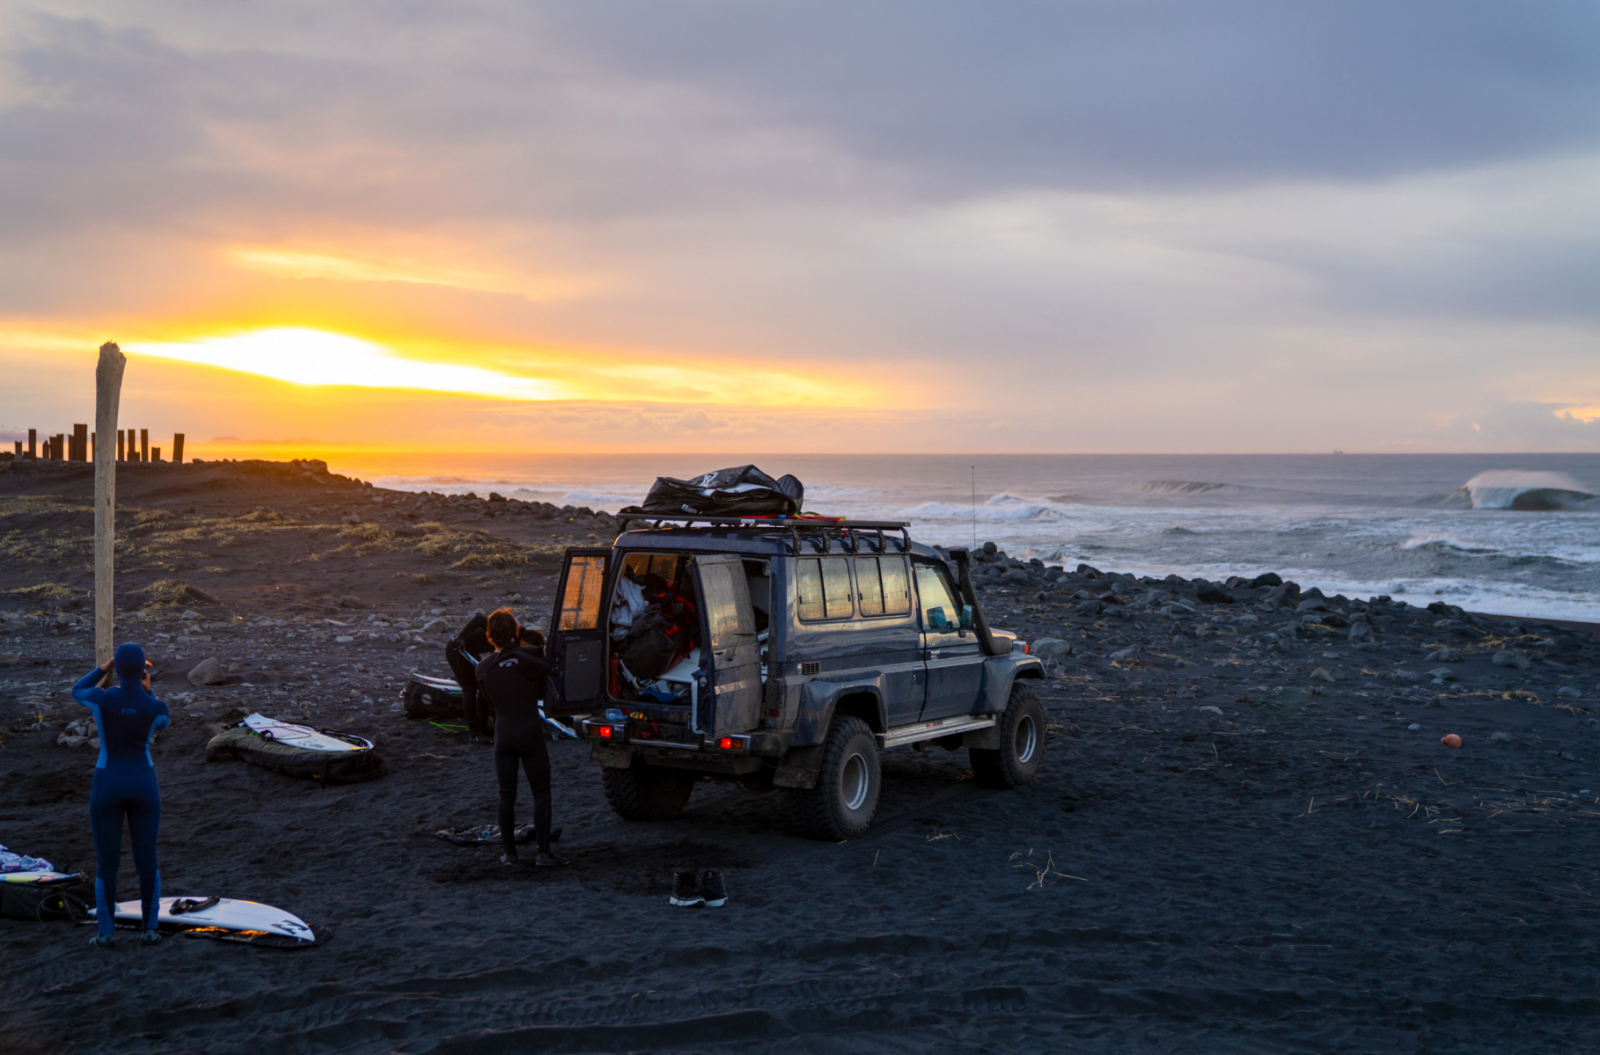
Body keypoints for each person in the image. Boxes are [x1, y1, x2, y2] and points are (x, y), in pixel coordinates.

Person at [72, 643, 170, 947]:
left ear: (117, 667)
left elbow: (77, 689)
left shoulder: (102, 699)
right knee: (147, 859)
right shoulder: (157, 707)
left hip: (108, 782)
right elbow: (163, 723)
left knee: (107, 862)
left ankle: (105, 933)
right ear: (143, 669)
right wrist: (148, 691)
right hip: (144, 783)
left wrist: (103, 669)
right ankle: (150, 929)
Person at [474, 608, 564, 867]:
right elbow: (541, 690)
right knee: (541, 792)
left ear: (490, 636)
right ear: (515, 631)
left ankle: (509, 854)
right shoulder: (533, 655)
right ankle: (543, 854)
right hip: (528, 729)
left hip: (503, 733)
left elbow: (489, 703)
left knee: (506, 795)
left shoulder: (481, 668)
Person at [445, 612, 494, 743]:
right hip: (457, 648)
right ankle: (475, 734)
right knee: (469, 689)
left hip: (472, 650)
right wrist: (461, 637)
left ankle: (483, 728)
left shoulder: (513, 645)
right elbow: (479, 618)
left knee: (483, 685)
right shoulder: (502, 629)